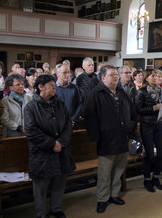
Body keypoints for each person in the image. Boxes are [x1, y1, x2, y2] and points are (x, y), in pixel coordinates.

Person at [84, 65, 137, 213]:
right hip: (106, 138)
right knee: (105, 172)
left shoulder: (122, 92)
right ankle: (102, 198)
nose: (116, 77)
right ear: (103, 78)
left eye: (116, 75)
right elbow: (89, 117)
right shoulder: (95, 94)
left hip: (123, 136)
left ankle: (114, 194)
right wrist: (96, 137)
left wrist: (131, 127)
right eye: (112, 75)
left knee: (119, 168)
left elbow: (132, 111)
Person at [24, 74, 76, 218]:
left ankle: (56, 208)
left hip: (60, 149)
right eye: (51, 85)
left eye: (54, 85)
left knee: (59, 180)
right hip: (41, 152)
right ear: (40, 87)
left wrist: (61, 143)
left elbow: (67, 125)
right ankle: (41, 212)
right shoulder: (31, 107)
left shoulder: (59, 104)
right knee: (40, 184)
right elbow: (31, 131)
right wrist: (52, 144)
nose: (54, 88)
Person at [135, 69, 162, 192]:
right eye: (152, 75)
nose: (155, 77)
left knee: (161, 153)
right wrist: (154, 107)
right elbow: (138, 109)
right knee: (149, 154)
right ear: (146, 78)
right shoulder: (141, 92)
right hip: (147, 125)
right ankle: (147, 180)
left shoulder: (160, 90)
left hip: (158, 124)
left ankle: (156, 178)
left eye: (156, 75)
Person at [55, 64, 82, 130]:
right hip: (57, 125)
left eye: (68, 72)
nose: (67, 75)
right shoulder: (53, 89)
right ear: (57, 74)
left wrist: (73, 119)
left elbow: (79, 104)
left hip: (72, 124)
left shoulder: (74, 87)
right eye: (64, 73)